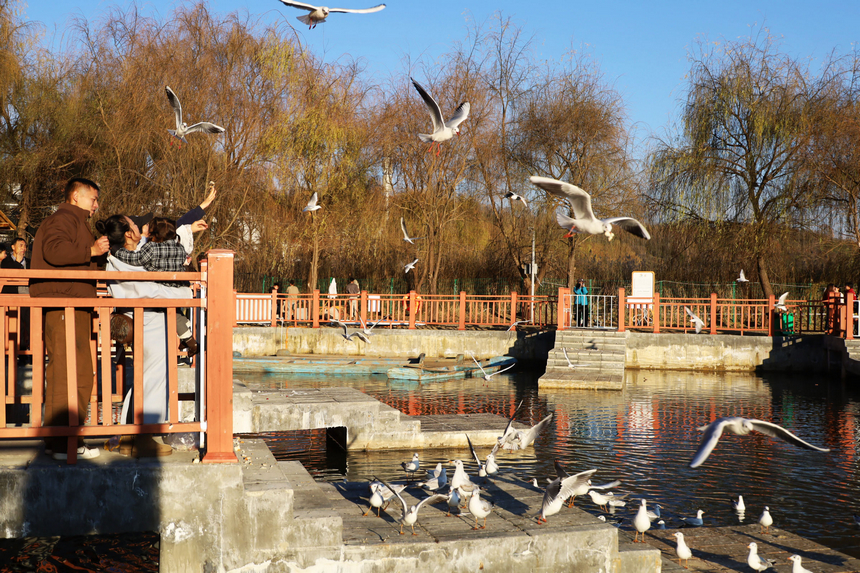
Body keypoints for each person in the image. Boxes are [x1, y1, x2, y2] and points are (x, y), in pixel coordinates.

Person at [97, 214, 199, 457]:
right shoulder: (121, 259)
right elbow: (149, 291)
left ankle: (128, 434)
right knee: (154, 378)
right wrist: (184, 292)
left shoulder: (137, 252)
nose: (138, 226)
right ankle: (143, 437)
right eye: (133, 225)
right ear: (129, 234)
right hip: (148, 319)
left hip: (151, 318)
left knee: (145, 379)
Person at [30, 177, 110, 460]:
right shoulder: (63, 219)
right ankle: (67, 443)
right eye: (93, 199)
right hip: (64, 302)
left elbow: (83, 261)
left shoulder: (75, 221)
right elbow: (54, 251)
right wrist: (91, 250)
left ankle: (58, 442)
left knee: (66, 369)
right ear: (76, 196)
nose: (96, 206)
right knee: (70, 370)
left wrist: (99, 254)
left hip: (71, 303)